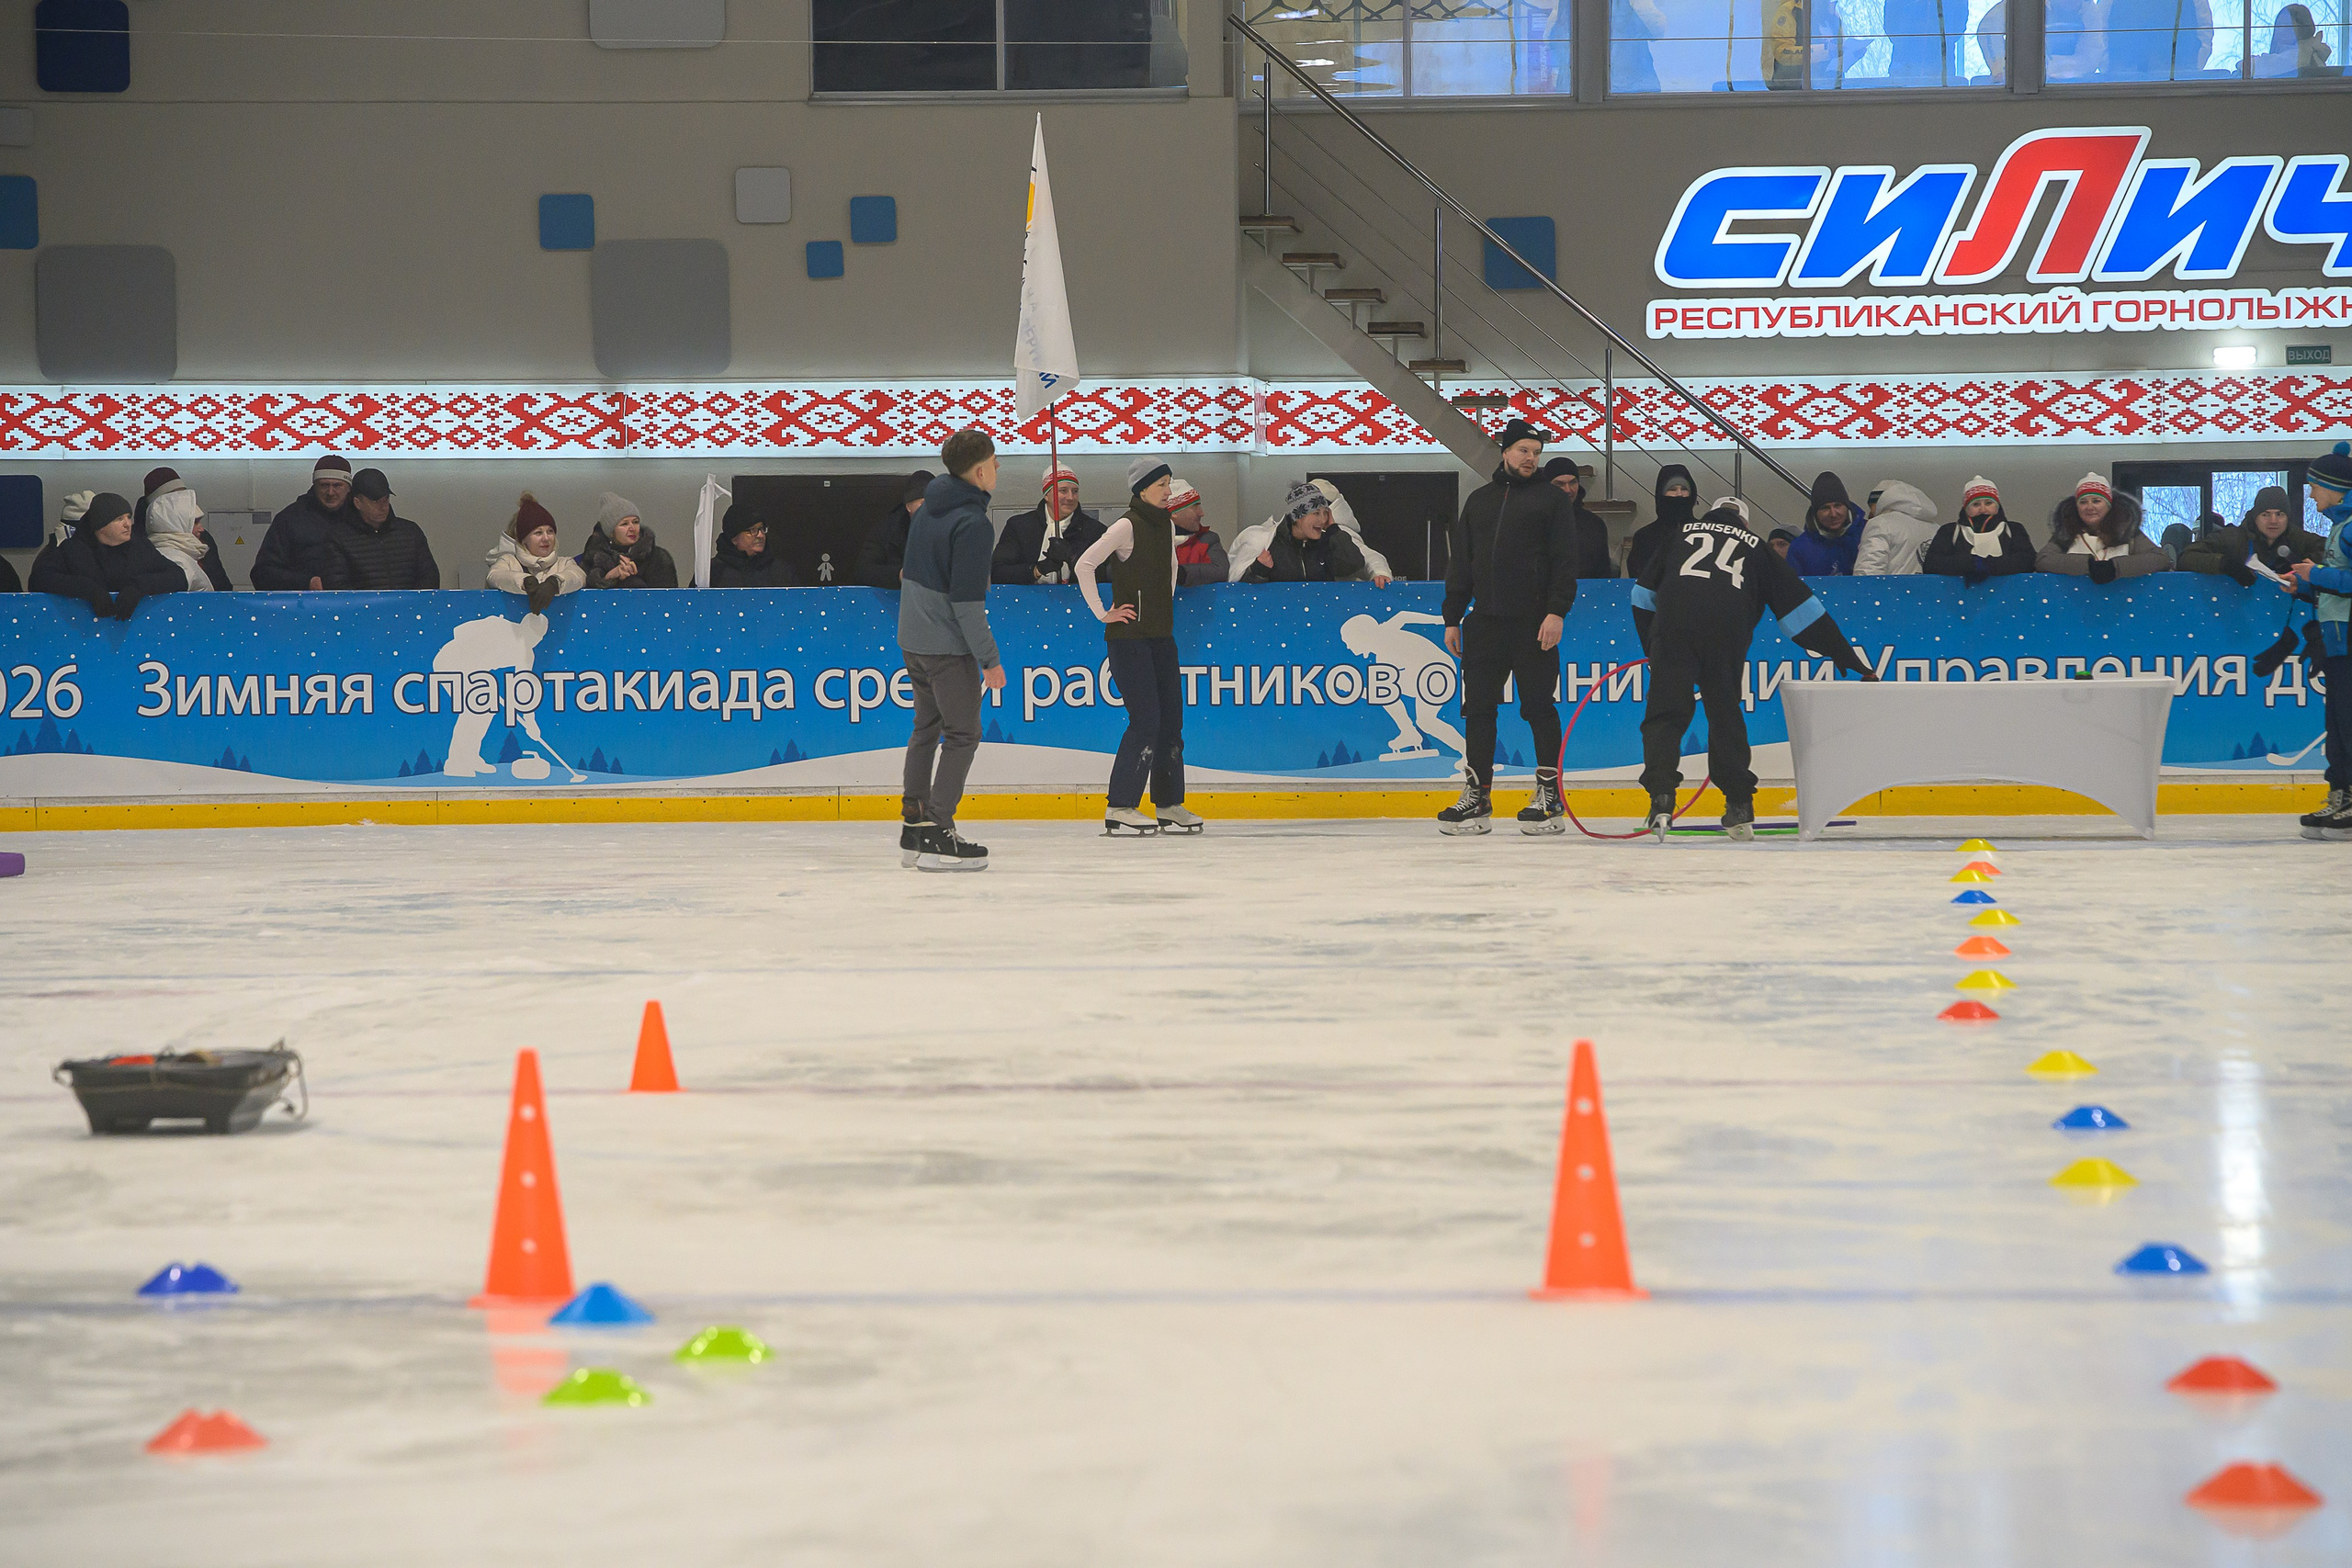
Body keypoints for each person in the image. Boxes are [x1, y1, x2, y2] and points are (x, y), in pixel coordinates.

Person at [1633, 497, 1878, 840]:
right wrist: (1847, 657)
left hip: (1673, 629)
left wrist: (1652, 648)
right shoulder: (1757, 548)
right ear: (1745, 526)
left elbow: (1641, 596)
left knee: (1665, 713)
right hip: (1726, 632)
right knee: (1724, 713)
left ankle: (1661, 799)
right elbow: (1801, 611)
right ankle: (1739, 805)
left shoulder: (1678, 535)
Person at [1436, 418, 1580, 836]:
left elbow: (1565, 561)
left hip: (1535, 623)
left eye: (1536, 452)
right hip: (1484, 622)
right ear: (1505, 451)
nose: (1531, 458)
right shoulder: (1480, 501)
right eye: (1523, 450)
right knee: (1478, 709)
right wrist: (1452, 616)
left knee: (1538, 707)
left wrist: (1556, 612)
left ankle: (1549, 797)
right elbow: (1461, 562)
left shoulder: (1551, 502)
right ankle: (1477, 798)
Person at [1076, 457, 1204, 837]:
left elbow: (1170, 572)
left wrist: (1160, 614)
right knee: (1146, 720)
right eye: (1163, 484)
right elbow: (1085, 564)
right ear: (1142, 489)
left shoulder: (1164, 524)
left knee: (1171, 722)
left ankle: (1168, 804)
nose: (1169, 490)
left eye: (1168, 483)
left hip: (1161, 637)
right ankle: (1120, 806)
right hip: (1129, 641)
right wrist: (1103, 612)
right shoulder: (1126, 525)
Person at [897, 428, 1004, 871]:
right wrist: (990, 660)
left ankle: (915, 824)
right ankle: (939, 829)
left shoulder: (928, 510)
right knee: (963, 734)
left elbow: (910, 573)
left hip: (913, 641)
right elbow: (966, 603)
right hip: (944, 646)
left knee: (926, 727)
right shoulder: (973, 523)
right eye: (995, 462)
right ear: (979, 471)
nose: (999, 468)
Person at [2279, 442, 2352, 837]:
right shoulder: (2340, 527)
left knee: (2348, 722)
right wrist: (2305, 587)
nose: (2310, 494)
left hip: (2349, 641)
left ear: (2337, 488)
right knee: (2338, 723)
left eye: (2315, 486)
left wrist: (2316, 575)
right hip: (2337, 641)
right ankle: (2340, 794)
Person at [28, 492, 186, 619]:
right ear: (100, 526)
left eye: (128, 517)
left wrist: (138, 588)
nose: (127, 524)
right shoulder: (72, 550)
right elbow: (39, 579)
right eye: (119, 519)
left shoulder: (140, 548)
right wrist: (89, 591)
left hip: (135, 633)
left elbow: (178, 576)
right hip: (82, 633)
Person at [1228, 479, 1395, 585]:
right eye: (1316, 513)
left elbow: (1357, 563)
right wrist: (1258, 571)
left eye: (1325, 513)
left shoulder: (1331, 539)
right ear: (1297, 517)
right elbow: (1237, 590)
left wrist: (1333, 530)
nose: (1322, 520)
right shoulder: (1265, 541)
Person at [319, 468, 440, 590]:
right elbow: (337, 586)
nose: (383, 507)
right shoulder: (339, 538)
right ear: (358, 503)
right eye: (376, 501)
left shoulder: (411, 532)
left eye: (385, 499)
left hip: (411, 607)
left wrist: (410, 603)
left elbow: (429, 577)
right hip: (361, 608)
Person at [253, 454, 357, 591]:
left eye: (337, 485)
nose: (330, 492)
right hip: (303, 606)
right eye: (324, 485)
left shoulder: (362, 518)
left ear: (349, 487)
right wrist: (306, 583)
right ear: (314, 486)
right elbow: (262, 573)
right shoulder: (289, 520)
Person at [2037, 474, 2169, 581]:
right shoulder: (2065, 533)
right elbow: (2043, 560)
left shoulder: (2128, 532)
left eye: (2096, 501)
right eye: (2083, 502)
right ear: (2076, 507)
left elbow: (2160, 559)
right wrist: (2087, 565)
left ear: (2109, 505)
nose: (2089, 507)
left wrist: (2115, 568)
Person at [2180, 486, 2324, 583]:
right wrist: (2225, 564)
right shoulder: (2233, 538)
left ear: (2288, 518)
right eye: (2265, 514)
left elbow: (2334, 552)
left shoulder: (2297, 538)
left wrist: (2302, 567)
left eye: (2280, 514)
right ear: (2255, 517)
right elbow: (2187, 557)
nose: (2273, 521)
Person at [993, 462, 1103, 585]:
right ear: (1046, 495)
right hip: (1028, 601)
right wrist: (1037, 570)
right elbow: (997, 573)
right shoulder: (1019, 527)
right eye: (1063, 491)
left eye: (1075, 491)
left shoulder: (1095, 531)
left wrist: (1073, 559)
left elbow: (1105, 577)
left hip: (1077, 601)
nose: (1070, 497)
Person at [484, 494, 587, 612]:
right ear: (524, 539)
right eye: (538, 533)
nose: (546, 538)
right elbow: (494, 576)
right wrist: (524, 581)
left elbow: (579, 576)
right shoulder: (508, 561)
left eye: (550, 531)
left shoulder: (565, 563)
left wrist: (556, 582)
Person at [1924, 476, 2035, 581]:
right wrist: (1972, 564)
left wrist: (1987, 565)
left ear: (1997, 506)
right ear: (1966, 508)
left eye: (1988, 503)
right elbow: (1932, 565)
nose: (1983, 509)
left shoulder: (2014, 529)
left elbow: (2028, 561)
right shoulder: (1949, 531)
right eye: (1976, 504)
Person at [141, 476, 233, 591]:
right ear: (176, 523)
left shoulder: (170, 554)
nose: (202, 529)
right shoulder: (177, 560)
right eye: (195, 522)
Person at [579, 491, 676, 591]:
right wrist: (609, 577)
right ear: (611, 533)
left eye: (635, 522)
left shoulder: (658, 557)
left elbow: (667, 599)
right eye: (624, 524)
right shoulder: (593, 559)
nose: (632, 528)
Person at [1541, 457, 1617, 580]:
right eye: (1559, 484)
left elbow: (1603, 572)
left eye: (1572, 482)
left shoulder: (1594, 524)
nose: (1568, 490)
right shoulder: (1535, 522)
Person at [855, 471, 933, 590]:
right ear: (909, 506)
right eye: (923, 503)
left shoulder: (950, 526)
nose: (929, 507)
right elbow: (864, 570)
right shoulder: (889, 529)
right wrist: (899, 575)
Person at [1852, 479, 1941, 575]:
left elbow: (1868, 573)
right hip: (1930, 589)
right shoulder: (1937, 529)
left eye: (1871, 506)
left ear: (1882, 501)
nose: (1871, 512)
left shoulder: (1881, 524)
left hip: (1891, 589)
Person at [1626, 465, 1697, 581]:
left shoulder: (1705, 531)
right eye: (1672, 489)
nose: (1679, 494)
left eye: (1684, 489)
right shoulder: (1645, 536)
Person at [1786, 471, 1863, 576]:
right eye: (1825, 508)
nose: (1833, 514)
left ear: (1847, 507)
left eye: (1838, 506)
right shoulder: (1800, 549)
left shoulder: (1866, 533)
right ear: (1815, 513)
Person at [707, 503, 798, 587]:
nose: (761, 535)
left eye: (762, 529)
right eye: (752, 530)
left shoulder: (782, 572)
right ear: (734, 538)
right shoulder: (712, 572)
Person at [1166, 477, 1229, 586]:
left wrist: (1178, 573)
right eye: (1195, 507)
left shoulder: (1208, 539)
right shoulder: (1151, 542)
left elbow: (1220, 571)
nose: (1201, 513)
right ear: (1173, 513)